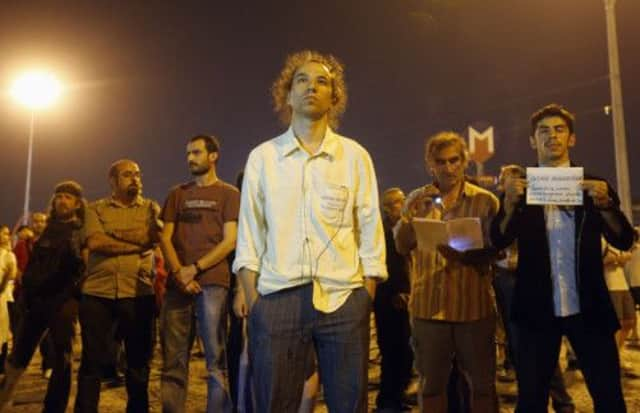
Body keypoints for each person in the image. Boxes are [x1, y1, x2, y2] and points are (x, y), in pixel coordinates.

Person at [233, 49, 387, 412]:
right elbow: (250, 233)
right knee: (275, 404)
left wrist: (366, 292)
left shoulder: (354, 156)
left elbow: (369, 225)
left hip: (343, 298)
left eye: (322, 81)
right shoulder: (264, 158)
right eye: (301, 80)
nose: (311, 87)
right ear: (287, 94)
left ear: (335, 97)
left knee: (348, 403)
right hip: (276, 297)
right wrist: (254, 299)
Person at [490, 103, 635, 412]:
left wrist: (606, 204)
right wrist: (509, 205)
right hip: (536, 307)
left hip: (588, 305)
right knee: (531, 399)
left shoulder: (594, 187)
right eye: (543, 131)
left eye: (559, 130)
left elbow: (623, 238)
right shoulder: (521, 190)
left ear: (572, 139)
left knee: (608, 395)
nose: (552, 136)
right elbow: (498, 239)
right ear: (532, 141)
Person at [394, 131, 499, 413]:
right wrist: (410, 216)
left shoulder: (486, 201)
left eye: (454, 160)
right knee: (430, 386)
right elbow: (402, 246)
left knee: (482, 385)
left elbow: (499, 251)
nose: (449, 168)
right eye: (441, 162)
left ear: (464, 161)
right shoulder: (417, 199)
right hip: (429, 309)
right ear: (431, 164)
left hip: (473, 308)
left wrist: (470, 256)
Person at [160, 134, 239, 412]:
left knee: (216, 361)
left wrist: (194, 269)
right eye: (188, 154)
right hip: (177, 286)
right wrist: (179, 272)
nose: (190, 158)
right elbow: (165, 238)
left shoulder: (229, 194)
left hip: (213, 284)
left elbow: (230, 241)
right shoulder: (177, 194)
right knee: (173, 362)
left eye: (196, 152)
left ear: (213, 156)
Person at [75, 159, 161, 413]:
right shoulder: (94, 209)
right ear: (112, 181)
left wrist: (113, 234)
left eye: (137, 174)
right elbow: (97, 242)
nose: (135, 178)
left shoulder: (150, 209)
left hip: (138, 293)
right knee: (92, 364)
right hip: (97, 294)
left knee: (138, 364)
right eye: (127, 175)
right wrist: (137, 243)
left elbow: (153, 238)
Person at [492, 165, 575, 413]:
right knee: (517, 345)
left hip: (526, 281)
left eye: (516, 179)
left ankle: (561, 400)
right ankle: (531, 393)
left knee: (534, 344)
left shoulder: (531, 204)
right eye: (506, 180)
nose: (510, 183)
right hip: (502, 278)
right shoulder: (500, 205)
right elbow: (496, 237)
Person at [0, 181, 85, 413]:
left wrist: (72, 298)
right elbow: (34, 266)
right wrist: (28, 291)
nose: (62, 201)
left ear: (77, 204)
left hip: (62, 304)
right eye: (59, 196)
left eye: (68, 197)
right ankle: (4, 397)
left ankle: (55, 407)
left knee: (62, 359)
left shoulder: (80, 231)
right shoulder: (48, 229)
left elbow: (80, 269)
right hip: (36, 302)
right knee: (19, 355)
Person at [374, 187, 413, 413]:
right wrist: (394, 293)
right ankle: (387, 401)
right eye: (400, 201)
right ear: (388, 208)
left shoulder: (404, 228)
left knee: (405, 352)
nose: (404, 203)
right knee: (391, 352)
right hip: (388, 300)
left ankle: (398, 395)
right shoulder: (381, 232)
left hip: (405, 298)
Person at [602, 238, 635, 373]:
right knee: (617, 324)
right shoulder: (601, 240)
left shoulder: (618, 241)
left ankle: (616, 353)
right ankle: (613, 360)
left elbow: (628, 255)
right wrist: (616, 259)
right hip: (610, 285)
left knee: (629, 321)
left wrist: (620, 258)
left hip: (622, 284)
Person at [0, 226, 17, 374]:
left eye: (7, 234)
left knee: (3, 333)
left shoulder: (8, 255)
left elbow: (12, 274)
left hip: (4, 298)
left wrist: (2, 286)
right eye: (4, 233)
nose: (6, 236)